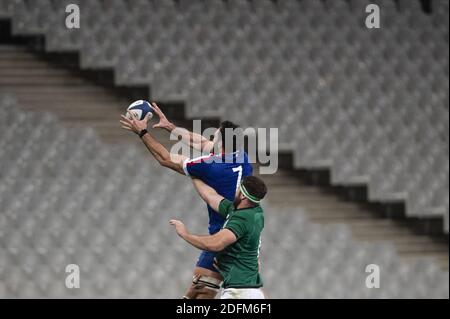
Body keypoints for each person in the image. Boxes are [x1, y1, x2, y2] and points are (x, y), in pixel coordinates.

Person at [120, 103, 253, 298]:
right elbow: (200, 143)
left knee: (200, 293)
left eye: (215, 135)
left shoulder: (210, 167)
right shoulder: (242, 157)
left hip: (223, 239)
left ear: (221, 143)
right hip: (240, 235)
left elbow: (165, 158)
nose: (211, 138)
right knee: (196, 291)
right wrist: (171, 128)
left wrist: (142, 133)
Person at [170, 175, 267, 299]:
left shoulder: (242, 219)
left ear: (242, 196)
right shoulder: (253, 212)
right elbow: (210, 196)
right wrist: (192, 172)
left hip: (240, 293)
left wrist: (185, 234)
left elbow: (215, 244)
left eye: (239, 189)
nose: (235, 190)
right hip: (250, 291)